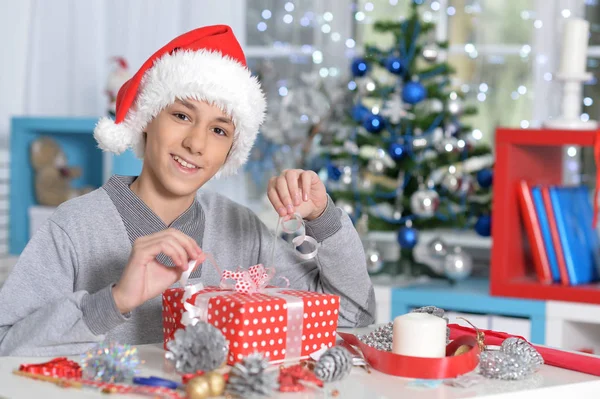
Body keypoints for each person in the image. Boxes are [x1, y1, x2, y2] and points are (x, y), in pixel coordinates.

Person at [0, 25, 375, 356]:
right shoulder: (74, 227)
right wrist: (115, 301)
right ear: (147, 120)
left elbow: (351, 315)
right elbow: (6, 345)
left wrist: (323, 219)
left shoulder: (240, 228)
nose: (196, 143)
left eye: (219, 130)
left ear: (231, 150)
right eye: (181, 115)